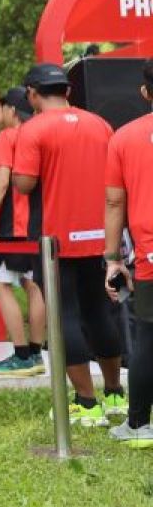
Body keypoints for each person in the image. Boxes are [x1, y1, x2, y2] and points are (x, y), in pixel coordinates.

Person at [12, 63, 126, 426]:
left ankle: (86, 403)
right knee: (100, 313)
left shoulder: (32, 129)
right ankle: (115, 395)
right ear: (68, 91)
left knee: (65, 317)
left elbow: (25, 184)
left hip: (54, 240)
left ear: (32, 94)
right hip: (100, 235)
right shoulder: (100, 125)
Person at [103, 57, 153, 447]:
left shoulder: (124, 137)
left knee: (148, 338)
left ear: (145, 92)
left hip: (150, 254)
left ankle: (138, 425)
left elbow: (114, 202)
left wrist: (113, 259)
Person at [0, 87, 47, 376]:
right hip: (39, 226)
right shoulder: (40, 135)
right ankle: (36, 353)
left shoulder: (9, 136)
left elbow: (2, 180)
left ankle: (21, 355)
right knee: (34, 285)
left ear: (11, 110)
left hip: (13, 226)